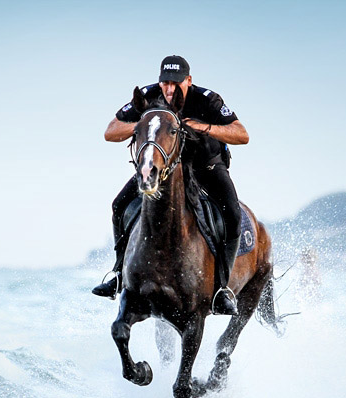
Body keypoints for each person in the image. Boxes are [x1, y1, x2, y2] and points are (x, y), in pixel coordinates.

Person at [92, 55, 249, 315]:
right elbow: (110, 131)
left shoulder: (207, 99)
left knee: (232, 214)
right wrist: (144, 125)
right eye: (165, 82)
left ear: (189, 81)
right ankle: (118, 274)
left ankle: (222, 288)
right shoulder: (148, 96)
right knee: (119, 205)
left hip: (205, 167)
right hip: (164, 168)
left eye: (175, 83)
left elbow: (242, 134)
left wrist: (205, 127)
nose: (169, 89)